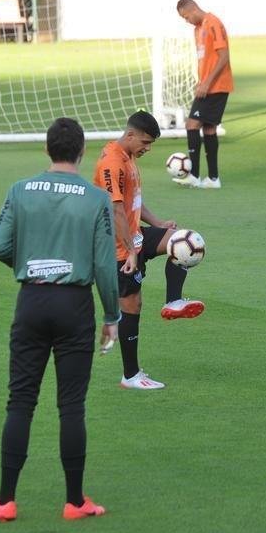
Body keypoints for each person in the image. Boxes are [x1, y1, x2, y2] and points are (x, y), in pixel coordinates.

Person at [0, 118, 120, 522]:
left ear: (47, 150)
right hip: (74, 305)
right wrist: (111, 314)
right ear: (81, 153)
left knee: (20, 401)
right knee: (71, 406)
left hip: (32, 301)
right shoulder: (94, 198)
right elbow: (104, 265)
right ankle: (75, 502)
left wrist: (28, 264)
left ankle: (5, 500)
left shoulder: (20, 190)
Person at [94, 111, 205, 390]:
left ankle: (173, 301)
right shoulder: (111, 163)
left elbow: (131, 201)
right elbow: (115, 209)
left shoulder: (127, 157)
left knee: (185, 240)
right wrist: (131, 250)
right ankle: (130, 376)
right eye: (145, 142)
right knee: (133, 306)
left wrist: (157, 223)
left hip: (133, 236)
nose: (148, 148)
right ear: (130, 135)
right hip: (116, 247)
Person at [175, 0, 233, 189]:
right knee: (208, 129)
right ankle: (213, 179)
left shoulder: (213, 23)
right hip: (207, 86)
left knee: (192, 124)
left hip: (217, 86)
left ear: (192, 9)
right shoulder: (197, 29)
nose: (186, 21)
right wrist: (201, 82)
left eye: (185, 17)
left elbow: (224, 56)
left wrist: (207, 82)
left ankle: (194, 175)